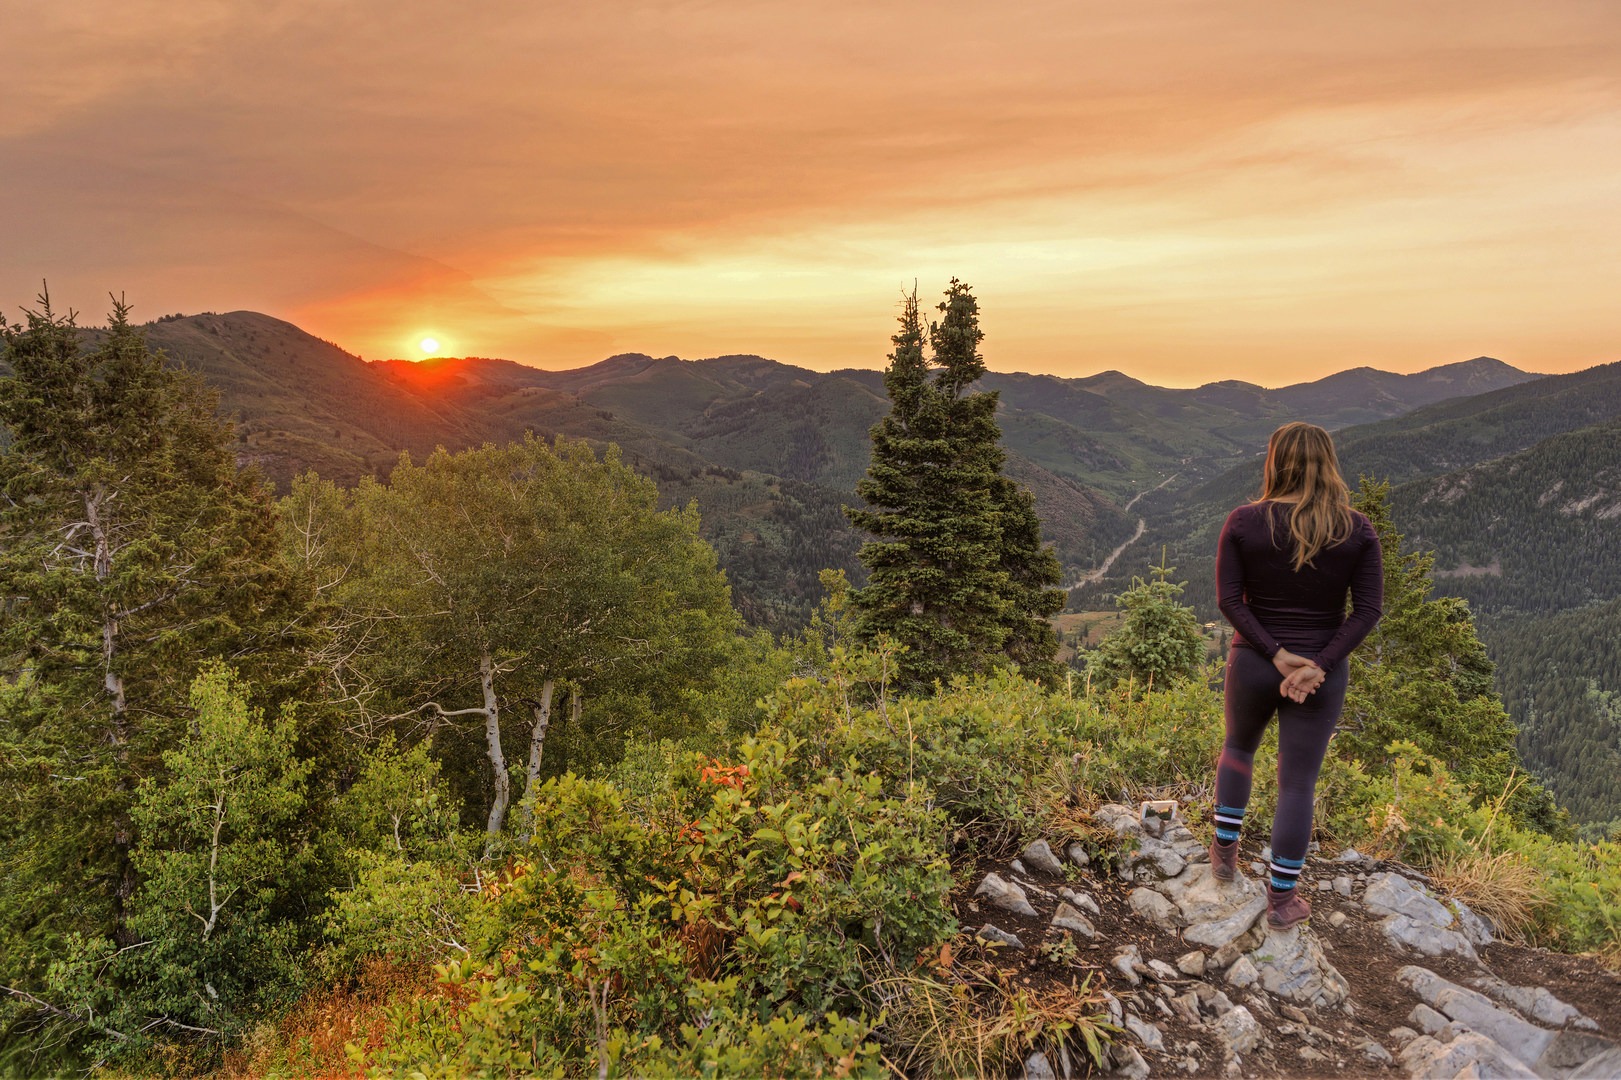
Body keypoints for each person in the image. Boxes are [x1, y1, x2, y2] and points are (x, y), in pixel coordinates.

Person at [1209, 421, 1383, 930]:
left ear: (1274, 460)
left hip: (1255, 663)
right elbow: (1368, 610)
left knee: (1238, 749)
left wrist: (1274, 653)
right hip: (1320, 673)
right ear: (1328, 463)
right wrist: (1317, 665)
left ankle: (1223, 858)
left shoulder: (1243, 521)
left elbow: (1228, 600)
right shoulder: (1356, 529)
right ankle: (1282, 902)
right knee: (1297, 784)